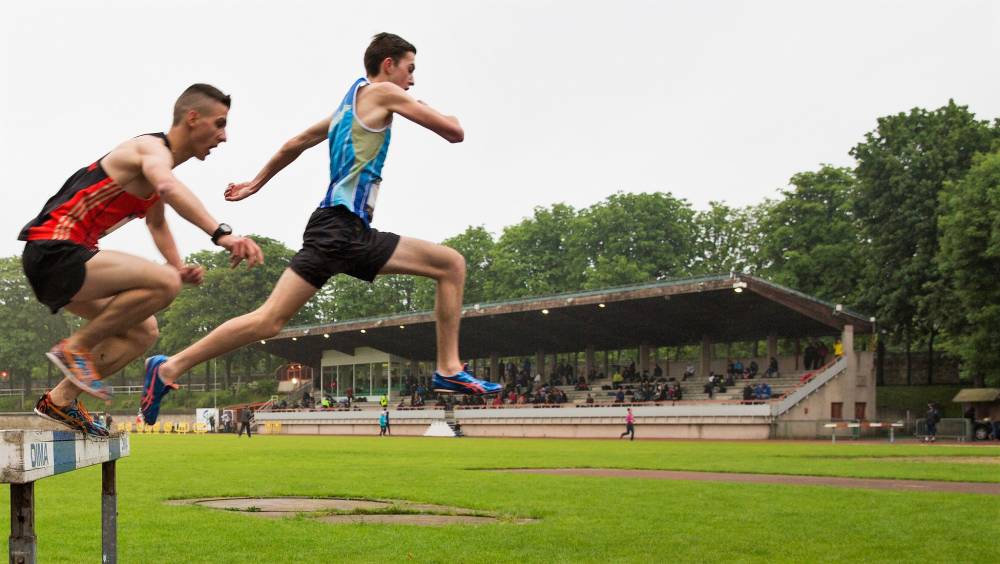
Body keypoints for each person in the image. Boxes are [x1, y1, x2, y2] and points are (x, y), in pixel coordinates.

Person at [138, 34, 502, 424]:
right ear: (389, 65)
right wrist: (428, 106)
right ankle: (448, 368)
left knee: (269, 320)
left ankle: (169, 368)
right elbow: (453, 131)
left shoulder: (350, 106)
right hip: (342, 229)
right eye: (410, 70)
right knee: (450, 265)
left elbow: (297, 141)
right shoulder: (384, 93)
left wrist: (255, 183)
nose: (412, 81)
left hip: (337, 229)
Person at [23, 84, 263, 436]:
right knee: (165, 282)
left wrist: (179, 265)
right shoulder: (150, 150)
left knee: (143, 331)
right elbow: (167, 187)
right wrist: (222, 234)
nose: (224, 137)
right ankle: (76, 347)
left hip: (70, 259)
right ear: (192, 118)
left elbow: (157, 222)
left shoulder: (154, 174)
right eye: (219, 124)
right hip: (53, 248)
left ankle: (59, 401)